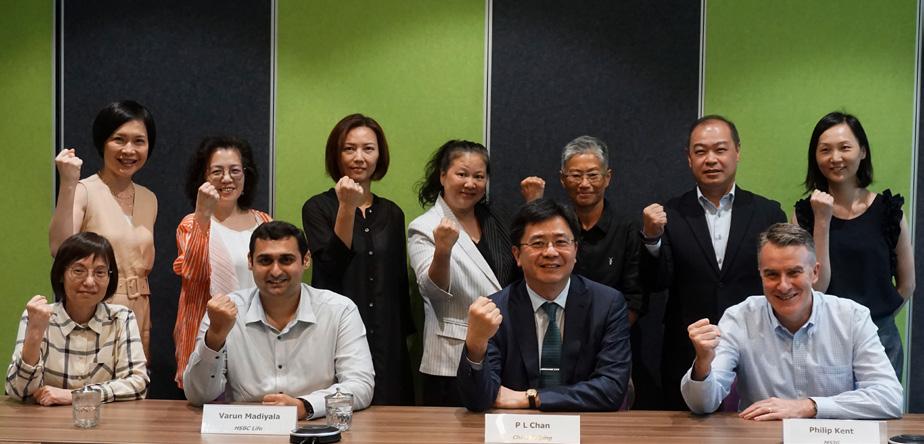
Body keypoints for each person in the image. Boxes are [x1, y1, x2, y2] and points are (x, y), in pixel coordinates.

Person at [681, 223, 902, 419]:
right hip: (762, 437)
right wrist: (703, 363)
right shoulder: (739, 318)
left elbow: (890, 397)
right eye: (772, 274)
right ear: (760, 274)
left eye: (794, 273)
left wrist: (809, 407)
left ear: (814, 273)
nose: (784, 286)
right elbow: (701, 405)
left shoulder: (852, 317)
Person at [640, 115, 787, 410]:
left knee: (755, 424)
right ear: (689, 158)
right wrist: (652, 239)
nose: (710, 159)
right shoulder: (669, 213)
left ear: (737, 152)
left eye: (720, 150)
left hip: (756, 349)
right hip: (687, 350)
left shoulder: (768, 213)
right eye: (700, 151)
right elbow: (656, 283)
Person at [183, 221, 374, 419]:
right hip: (246, 428)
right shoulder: (225, 312)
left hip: (315, 426)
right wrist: (215, 336)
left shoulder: (339, 310)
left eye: (286, 260)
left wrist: (306, 406)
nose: (275, 271)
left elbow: (360, 385)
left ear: (305, 260)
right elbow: (198, 396)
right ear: (250, 262)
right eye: (265, 260)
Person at [458, 198, 631, 412]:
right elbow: (478, 400)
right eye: (538, 243)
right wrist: (475, 345)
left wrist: (532, 398)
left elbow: (612, 389)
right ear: (517, 255)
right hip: (515, 427)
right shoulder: (495, 309)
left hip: (585, 424)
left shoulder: (607, 304)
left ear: (575, 250)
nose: (550, 252)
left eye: (561, 242)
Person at [301, 114, 413, 405]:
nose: (359, 157)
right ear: (336, 155)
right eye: (349, 149)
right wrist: (347, 207)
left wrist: (404, 339)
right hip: (335, 336)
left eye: (368, 149)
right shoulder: (317, 208)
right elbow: (331, 266)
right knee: (338, 413)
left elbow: (398, 282)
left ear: (379, 155)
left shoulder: (393, 213)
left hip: (387, 339)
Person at [794, 111, 914, 380]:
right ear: (815, 157)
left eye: (845, 147)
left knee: (881, 407)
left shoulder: (888, 211)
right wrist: (822, 220)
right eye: (825, 150)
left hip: (880, 339)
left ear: (862, 151)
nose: (835, 157)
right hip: (822, 339)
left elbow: (907, 284)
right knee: (823, 408)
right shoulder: (804, 215)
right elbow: (815, 287)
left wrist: (875, 320)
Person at [408, 140, 520, 406]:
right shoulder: (424, 226)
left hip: (505, 354)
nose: (470, 183)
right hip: (451, 361)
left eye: (479, 177)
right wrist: (443, 250)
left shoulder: (498, 220)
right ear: (442, 175)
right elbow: (432, 291)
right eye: (462, 174)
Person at [48, 100, 158, 360]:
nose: (129, 150)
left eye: (139, 141)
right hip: (95, 308)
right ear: (102, 142)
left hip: (140, 311)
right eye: (119, 139)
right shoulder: (84, 190)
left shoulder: (149, 198)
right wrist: (68, 183)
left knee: (134, 379)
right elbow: (59, 248)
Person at [173, 136, 272, 388]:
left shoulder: (264, 222)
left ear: (246, 175)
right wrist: (203, 214)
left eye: (235, 171)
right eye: (217, 172)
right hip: (206, 334)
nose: (227, 179)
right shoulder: (191, 224)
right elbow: (194, 272)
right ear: (203, 177)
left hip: (255, 336)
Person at [6, 232, 149, 405]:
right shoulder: (38, 317)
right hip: (47, 420)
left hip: (104, 420)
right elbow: (18, 391)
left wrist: (76, 395)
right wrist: (35, 334)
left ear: (110, 277)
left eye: (100, 272)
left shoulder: (121, 318)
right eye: (79, 271)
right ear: (61, 274)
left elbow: (138, 383)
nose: (89, 282)